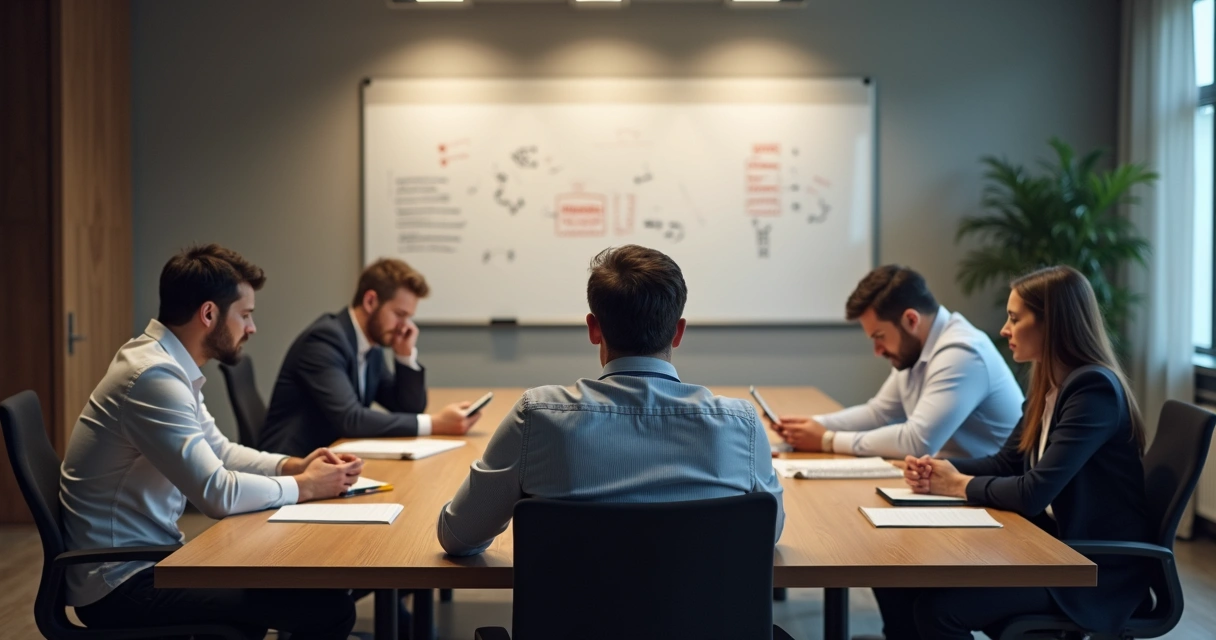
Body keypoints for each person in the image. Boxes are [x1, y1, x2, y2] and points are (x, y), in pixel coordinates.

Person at [61, 245, 361, 639]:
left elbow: (220, 451)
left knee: (303, 593)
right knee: (326, 606)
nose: (251, 328)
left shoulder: (168, 365)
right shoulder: (154, 378)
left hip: (149, 561)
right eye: (246, 315)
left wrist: (294, 466)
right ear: (208, 314)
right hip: (121, 583)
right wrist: (305, 486)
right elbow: (215, 494)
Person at [436, 245, 785, 556]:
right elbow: (769, 534)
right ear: (678, 332)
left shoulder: (538, 416)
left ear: (593, 328)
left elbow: (460, 537)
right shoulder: (740, 423)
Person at [881, 265, 1152, 638]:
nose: (1004, 330)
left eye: (1014, 318)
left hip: (1089, 569)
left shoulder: (1093, 391)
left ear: (1052, 323)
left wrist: (957, 485)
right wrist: (938, 469)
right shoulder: (1050, 383)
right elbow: (1007, 462)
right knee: (901, 578)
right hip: (1048, 547)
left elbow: (1033, 492)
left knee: (937, 609)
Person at [772, 265, 1023, 459]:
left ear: (911, 320)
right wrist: (810, 426)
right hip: (956, 485)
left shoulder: (962, 352)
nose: (877, 350)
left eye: (879, 337)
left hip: (997, 504)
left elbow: (917, 442)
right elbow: (879, 413)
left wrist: (827, 440)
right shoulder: (917, 350)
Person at [259, 258, 481, 458]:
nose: (404, 327)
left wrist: (404, 358)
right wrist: (435, 424)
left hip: (329, 463)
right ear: (370, 301)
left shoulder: (370, 345)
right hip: (290, 469)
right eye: (399, 315)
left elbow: (407, 408)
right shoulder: (324, 340)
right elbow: (351, 419)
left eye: (409, 317)